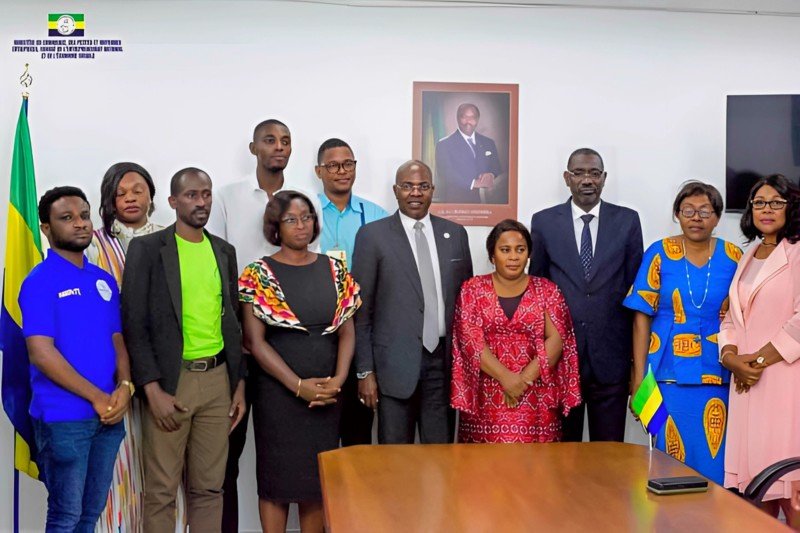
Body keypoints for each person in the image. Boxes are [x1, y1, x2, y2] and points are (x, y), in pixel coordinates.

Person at [206, 119, 322, 532]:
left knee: (298, 456)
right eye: (270, 140)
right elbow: (217, 268)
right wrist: (233, 335)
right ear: (254, 147)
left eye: (286, 141)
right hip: (240, 342)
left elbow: (316, 273)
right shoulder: (227, 197)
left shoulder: (306, 201)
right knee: (228, 455)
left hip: (293, 349)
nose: (279, 147)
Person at [121, 168, 246, 533]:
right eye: (192, 195)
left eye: (206, 194)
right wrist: (151, 389)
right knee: (161, 491)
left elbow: (232, 322)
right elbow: (134, 324)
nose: (201, 202)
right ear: (174, 202)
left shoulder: (224, 251)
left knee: (209, 487)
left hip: (218, 381)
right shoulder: (147, 249)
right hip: (171, 384)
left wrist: (238, 385)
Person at [238, 190, 360, 533]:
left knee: (316, 484)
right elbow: (254, 342)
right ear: (275, 226)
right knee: (276, 484)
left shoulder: (335, 271)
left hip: (326, 395)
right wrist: (297, 386)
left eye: (306, 217)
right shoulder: (257, 274)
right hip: (278, 396)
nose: (301, 225)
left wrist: (338, 379)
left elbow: (347, 331)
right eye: (291, 219)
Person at [19, 186, 131, 532]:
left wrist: (126, 386)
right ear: (46, 228)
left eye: (84, 215)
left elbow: (117, 339)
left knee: (91, 511)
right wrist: (98, 397)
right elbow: (41, 352)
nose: (80, 224)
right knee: (66, 516)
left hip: (109, 418)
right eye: (67, 218)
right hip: (65, 419)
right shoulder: (39, 282)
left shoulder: (103, 281)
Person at [83, 161, 184, 532]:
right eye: (120, 192)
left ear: (152, 195)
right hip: (114, 369)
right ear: (109, 198)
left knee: (164, 465)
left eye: (137, 190)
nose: (129, 198)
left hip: (164, 368)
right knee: (120, 463)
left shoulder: (172, 238)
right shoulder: (93, 243)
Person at [624, 182, 740, 484]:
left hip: (719, 375)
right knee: (665, 461)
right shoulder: (659, 253)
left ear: (717, 217)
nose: (696, 218)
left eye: (705, 211)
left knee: (717, 459)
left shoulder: (734, 256)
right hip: (664, 375)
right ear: (677, 214)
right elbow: (640, 317)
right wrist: (638, 379)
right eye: (688, 210)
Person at [351, 160, 473, 444]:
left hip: (442, 367)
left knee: (440, 461)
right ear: (396, 190)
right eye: (407, 186)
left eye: (422, 186)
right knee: (395, 464)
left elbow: (465, 306)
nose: (415, 193)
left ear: (433, 190)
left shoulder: (455, 235)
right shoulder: (373, 236)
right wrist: (365, 371)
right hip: (392, 367)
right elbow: (362, 313)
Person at [529, 148, 643, 442]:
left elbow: (636, 292)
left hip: (612, 358)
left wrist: (634, 363)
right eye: (579, 173)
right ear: (567, 178)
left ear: (604, 178)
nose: (587, 179)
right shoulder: (543, 222)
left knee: (609, 453)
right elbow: (538, 291)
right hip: (562, 359)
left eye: (594, 173)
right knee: (563, 458)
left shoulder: (627, 221)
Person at [451, 220, 581, 443]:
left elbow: (558, 339)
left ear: (529, 255)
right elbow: (470, 341)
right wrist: (506, 378)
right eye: (505, 250)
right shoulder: (472, 289)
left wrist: (523, 380)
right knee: (486, 470)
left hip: (536, 393)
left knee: (536, 469)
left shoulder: (547, 290)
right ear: (492, 255)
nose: (513, 257)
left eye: (520, 250)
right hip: (486, 397)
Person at [719, 174, 800, 523]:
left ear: (790, 207)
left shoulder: (796, 252)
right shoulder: (749, 254)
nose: (766, 209)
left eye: (776, 202)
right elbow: (731, 318)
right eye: (759, 202)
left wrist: (757, 360)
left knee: (789, 484)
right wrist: (732, 358)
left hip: (785, 381)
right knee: (754, 490)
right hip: (746, 383)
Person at [315, 137, 388, 446]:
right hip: (317, 331)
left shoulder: (377, 215)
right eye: (332, 165)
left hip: (362, 330)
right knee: (319, 436)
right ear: (319, 171)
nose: (341, 171)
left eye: (348, 164)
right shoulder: (307, 212)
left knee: (358, 436)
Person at [435, 103, 503, 204]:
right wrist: (474, 183)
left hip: (487, 203)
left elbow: (497, 167)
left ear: (477, 119)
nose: (468, 122)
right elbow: (446, 173)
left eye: (472, 117)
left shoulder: (488, 143)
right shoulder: (444, 144)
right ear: (458, 118)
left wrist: (491, 175)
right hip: (456, 203)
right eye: (464, 117)